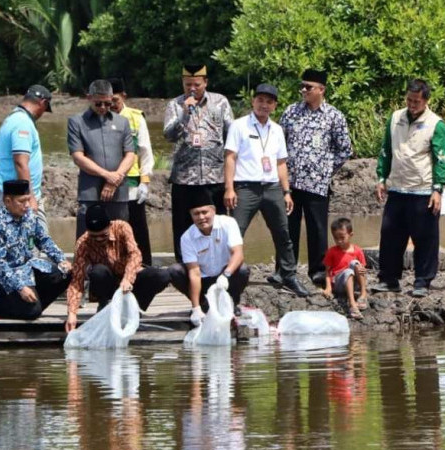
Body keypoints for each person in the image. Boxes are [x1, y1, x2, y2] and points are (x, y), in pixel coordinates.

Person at [223, 83, 308, 297]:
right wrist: (229, 188)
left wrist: (286, 192)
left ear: (274, 105)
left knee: (283, 233)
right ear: (253, 101)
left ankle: (288, 275)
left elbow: (280, 163)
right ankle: (227, 276)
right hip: (245, 187)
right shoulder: (239, 126)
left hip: (271, 188)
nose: (264, 105)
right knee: (235, 232)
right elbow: (230, 158)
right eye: (260, 100)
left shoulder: (277, 130)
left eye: (269, 101)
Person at [373, 79, 445, 297]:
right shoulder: (396, 118)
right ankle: (389, 279)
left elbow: (440, 159)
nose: (412, 104)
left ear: (426, 100)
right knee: (390, 235)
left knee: (425, 238)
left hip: (422, 190)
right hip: (397, 187)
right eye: (409, 99)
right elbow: (386, 149)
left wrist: (437, 189)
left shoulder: (436, 124)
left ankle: (422, 281)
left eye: (416, 101)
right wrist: (381, 177)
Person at [278, 69, 353, 286]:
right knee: (288, 227)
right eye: (301, 86)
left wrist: (326, 170)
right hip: (290, 182)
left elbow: (344, 149)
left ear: (321, 90)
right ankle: (285, 270)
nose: (303, 90)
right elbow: (279, 143)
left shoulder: (334, 116)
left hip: (318, 184)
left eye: (308, 87)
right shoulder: (291, 112)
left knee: (317, 228)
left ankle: (318, 270)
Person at [163, 64, 234, 261]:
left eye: (197, 84)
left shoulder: (220, 102)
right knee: (183, 225)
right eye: (188, 85)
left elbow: (232, 134)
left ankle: (218, 263)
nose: (192, 89)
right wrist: (184, 114)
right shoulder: (174, 105)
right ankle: (184, 266)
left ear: (205, 82)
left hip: (215, 176)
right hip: (185, 178)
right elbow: (168, 135)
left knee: (217, 224)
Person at [66, 204, 171, 332]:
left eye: (103, 235)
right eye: (94, 237)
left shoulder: (122, 227)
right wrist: (72, 313)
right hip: (107, 283)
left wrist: (128, 279)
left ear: (109, 226)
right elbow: (77, 280)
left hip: (129, 282)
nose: (99, 239)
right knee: (98, 271)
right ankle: (104, 305)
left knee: (162, 276)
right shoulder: (83, 243)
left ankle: (136, 307)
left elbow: (135, 255)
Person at [0, 180, 71, 319]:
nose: (27, 205)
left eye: (28, 200)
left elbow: (43, 240)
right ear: (7, 201)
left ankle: (32, 303)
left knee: (65, 273)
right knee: (32, 312)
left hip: (28, 270)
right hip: (5, 280)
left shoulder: (29, 217)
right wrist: (20, 287)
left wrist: (61, 259)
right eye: (22, 201)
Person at [169, 189, 250, 326]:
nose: (201, 217)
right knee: (174, 270)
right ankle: (201, 304)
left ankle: (232, 302)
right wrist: (195, 308)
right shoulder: (187, 237)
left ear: (213, 211)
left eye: (204, 212)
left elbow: (238, 253)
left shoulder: (228, 223)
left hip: (225, 277)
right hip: (203, 279)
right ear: (191, 215)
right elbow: (194, 273)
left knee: (243, 269)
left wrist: (226, 274)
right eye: (196, 214)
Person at [68, 79, 136, 238]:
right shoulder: (76, 122)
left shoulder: (122, 122)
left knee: (119, 235)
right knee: (86, 237)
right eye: (98, 104)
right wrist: (107, 175)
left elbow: (130, 154)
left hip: (118, 190)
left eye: (108, 103)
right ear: (89, 98)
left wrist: (114, 179)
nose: (103, 108)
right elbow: (78, 156)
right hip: (89, 191)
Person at [0, 85, 52, 231]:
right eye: (45, 109)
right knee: (33, 242)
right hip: (19, 197)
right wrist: (30, 198)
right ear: (42, 103)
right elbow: (20, 162)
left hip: (11, 193)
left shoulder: (12, 118)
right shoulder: (22, 123)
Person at [109, 77, 155, 265]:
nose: (111, 105)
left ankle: (144, 266)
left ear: (124, 96)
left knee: (138, 227)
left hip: (133, 183)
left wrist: (145, 181)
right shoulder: (100, 117)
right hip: (110, 183)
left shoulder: (136, 118)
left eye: (115, 101)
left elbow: (145, 152)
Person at [322, 218, 368, 319]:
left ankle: (363, 294)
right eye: (335, 238)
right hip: (339, 284)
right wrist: (328, 288)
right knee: (348, 272)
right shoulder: (332, 252)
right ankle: (353, 305)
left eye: (342, 237)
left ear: (351, 235)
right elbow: (327, 271)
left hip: (354, 283)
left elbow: (362, 270)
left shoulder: (358, 251)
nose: (339, 241)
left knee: (356, 263)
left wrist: (362, 270)